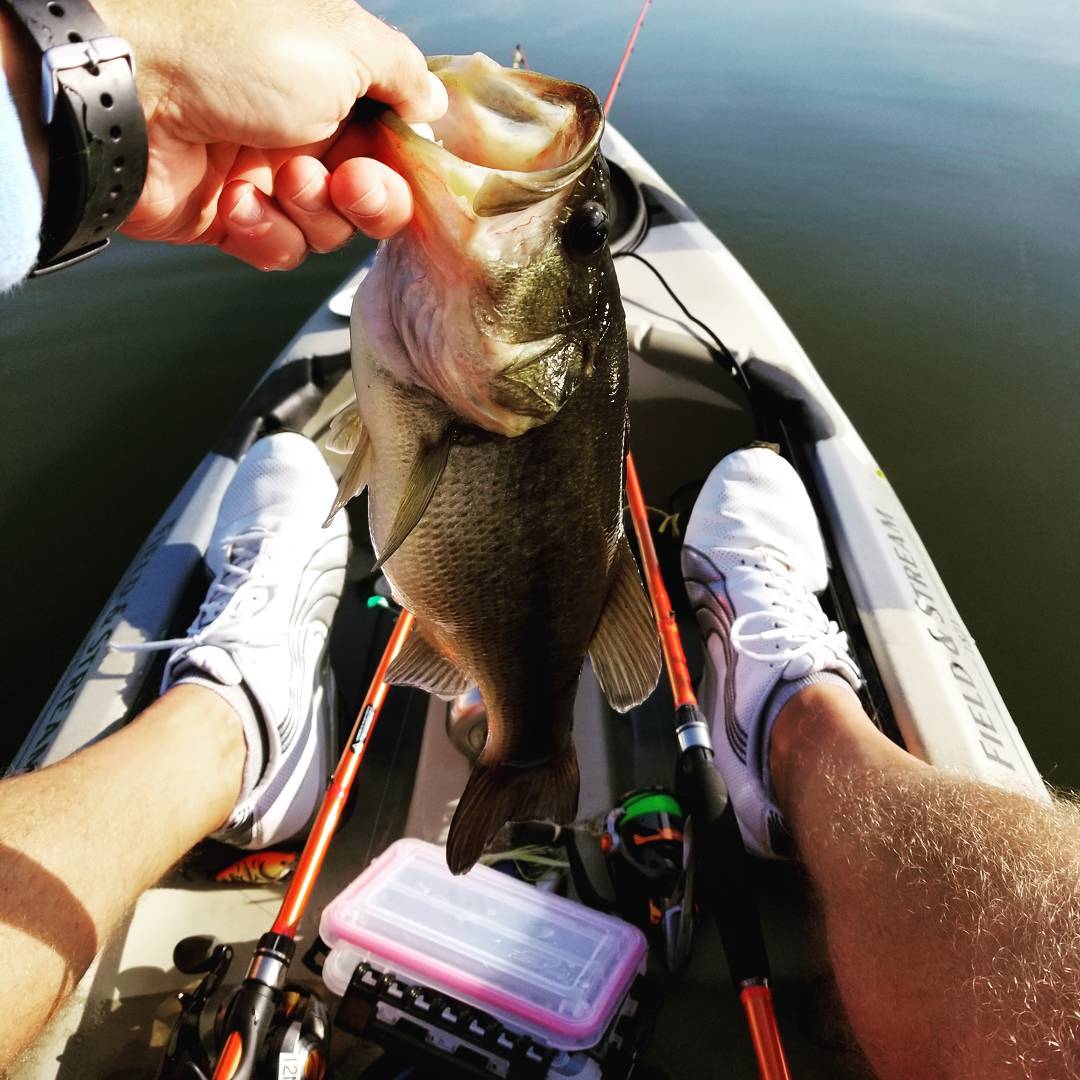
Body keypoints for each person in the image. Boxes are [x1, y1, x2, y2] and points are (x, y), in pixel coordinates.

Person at [1, 4, 1077, 1078]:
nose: (574, 222)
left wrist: (86, 77)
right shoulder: (474, 351)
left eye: (577, 227)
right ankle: (795, 716)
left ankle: (231, 722)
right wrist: (98, 75)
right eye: (581, 227)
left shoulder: (464, 351)